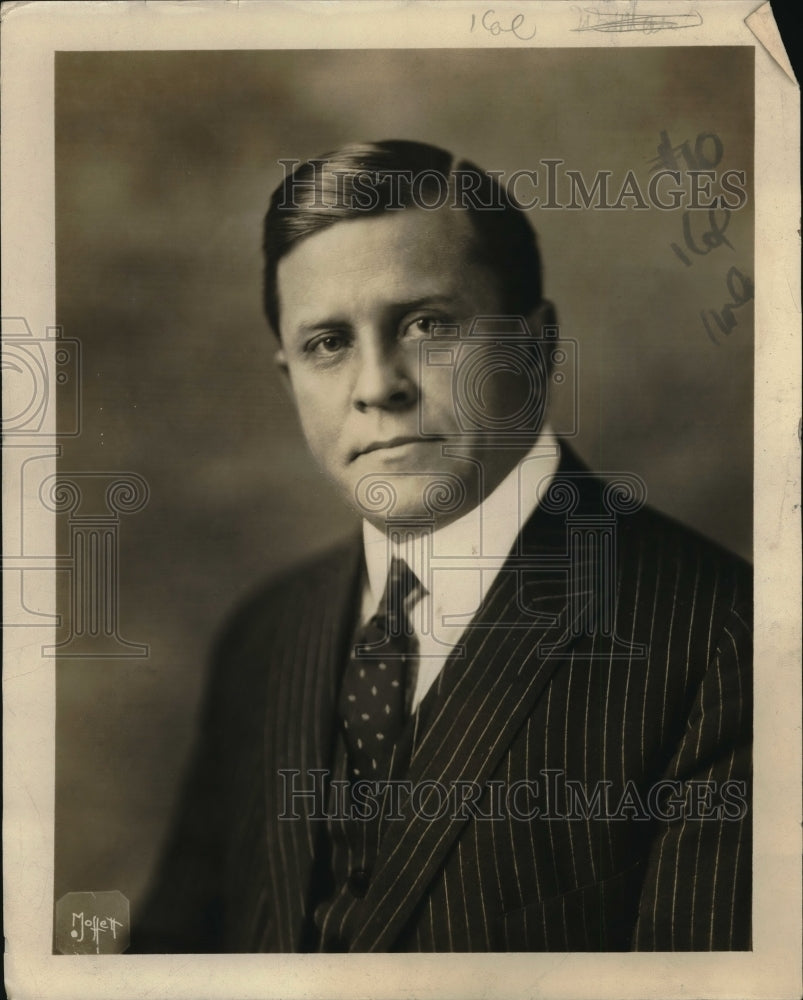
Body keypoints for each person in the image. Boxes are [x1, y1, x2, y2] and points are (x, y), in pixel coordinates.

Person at [136, 140, 751, 953]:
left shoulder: (725, 643)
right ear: (289, 382)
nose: (376, 386)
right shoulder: (265, 635)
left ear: (536, 346)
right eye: (328, 344)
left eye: (426, 324)